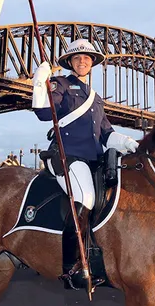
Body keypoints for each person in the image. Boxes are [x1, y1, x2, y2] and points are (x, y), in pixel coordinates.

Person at [32, 38, 139, 290]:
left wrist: (127, 142)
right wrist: (40, 81)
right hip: (68, 157)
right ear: (70, 61)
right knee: (87, 197)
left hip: (93, 160)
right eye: (78, 57)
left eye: (87, 58)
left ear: (92, 63)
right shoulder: (60, 85)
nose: (83, 61)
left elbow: (106, 134)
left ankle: (102, 256)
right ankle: (71, 267)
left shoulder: (95, 97)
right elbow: (43, 112)